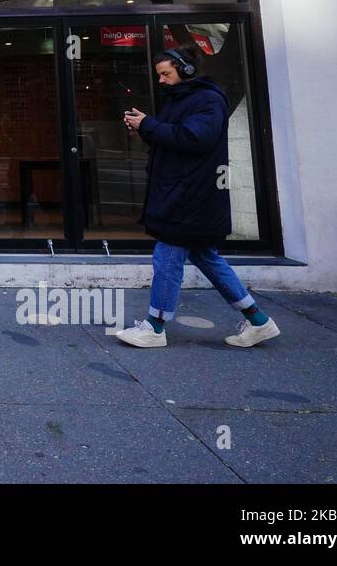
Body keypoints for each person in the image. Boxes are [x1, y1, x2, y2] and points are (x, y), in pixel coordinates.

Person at [114, 44, 280, 349]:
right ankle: (258, 321)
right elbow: (175, 138)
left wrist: (149, 124)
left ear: (185, 69)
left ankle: (154, 327)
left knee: (166, 257)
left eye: (165, 74)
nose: (161, 80)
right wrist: (146, 128)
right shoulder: (186, 100)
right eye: (159, 75)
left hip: (190, 196)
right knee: (206, 257)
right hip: (186, 192)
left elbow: (194, 139)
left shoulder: (207, 100)